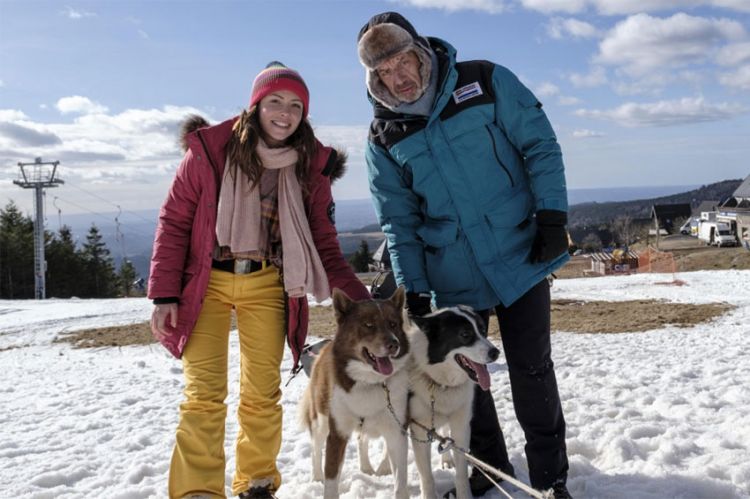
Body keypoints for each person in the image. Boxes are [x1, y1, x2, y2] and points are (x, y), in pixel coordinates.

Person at [357, 12, 573, 498]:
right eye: (384, 73)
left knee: (532, 368)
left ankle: (550, 479)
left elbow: (540, 145)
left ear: (420, 51)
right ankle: (488, 469)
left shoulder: (484, 81)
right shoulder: (383, 137)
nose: (399, 78)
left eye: (401, 62)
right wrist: (411, 288)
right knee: (467, 378)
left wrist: (554, 217)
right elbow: (399, 221)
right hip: (451, 274)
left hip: (520, 252)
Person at [148, 62, 370, 499]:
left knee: (262, 393)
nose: (284, 113)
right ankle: (198, 491)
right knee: (203, 395)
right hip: (205, 283)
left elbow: (324, 242)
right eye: (275, 101)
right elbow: (174, 222)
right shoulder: (209, 153)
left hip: (270, 283)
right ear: (255, 105)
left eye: (294, 105)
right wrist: (164, 293)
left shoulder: (309, 167)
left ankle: (257, 482)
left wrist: (362, 302)